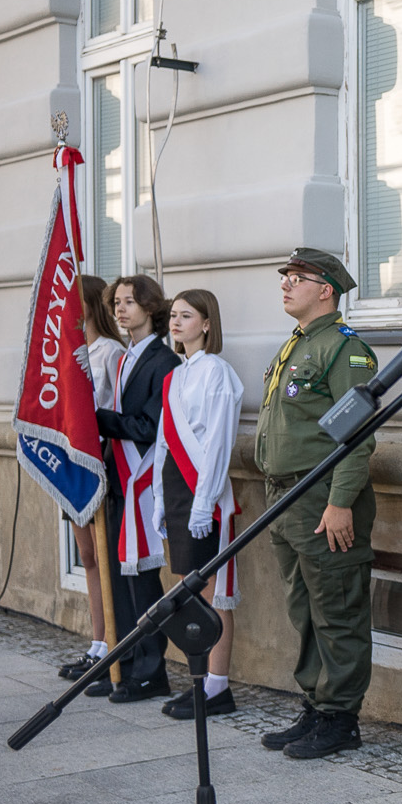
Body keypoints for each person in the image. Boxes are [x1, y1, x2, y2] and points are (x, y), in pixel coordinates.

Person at [253, 248, 381, 760]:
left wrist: (340, 501)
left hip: (320, 495)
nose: (285, 285)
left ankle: (340, 716)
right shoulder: (297, 345)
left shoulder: (345, 350)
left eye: (297, 278)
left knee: (337, 608)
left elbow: (358, 435)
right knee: (303, 608)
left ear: (325, 289)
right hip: (284, 496)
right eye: (285, 277)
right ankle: (315, 703)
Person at [152, 290, 246, 720]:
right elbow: (162, 444)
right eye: (172, 315)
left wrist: (203, 502)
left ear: (207, 323)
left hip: (202, 492)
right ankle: (203, 684)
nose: (176, 322)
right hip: (176, 489)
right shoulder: (176, 375)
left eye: (186, 315)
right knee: (192, 592)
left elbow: (218, 443)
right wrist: (157, 498)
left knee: (213, 595)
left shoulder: (217, 373)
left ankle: (217, 687)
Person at [93, 274, 180, 703]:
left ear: (150, 307)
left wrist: (97, 419)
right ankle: (122, 664)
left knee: (142, 581)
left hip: (143, 483)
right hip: (118, 480)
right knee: (117, 575)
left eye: (129, 302)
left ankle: (152, 668)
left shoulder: (164, 361)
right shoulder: (127, 356)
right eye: (117, 303)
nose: (121, 310)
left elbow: (148, 426)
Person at [57, 275, 126, 688]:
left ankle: (110, 642)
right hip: (73, 464)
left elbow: (112, 406)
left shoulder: (109, 352)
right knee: (87, 556)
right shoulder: (71, 350)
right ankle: (97, 641)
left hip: (99, 462)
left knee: (103, 556)